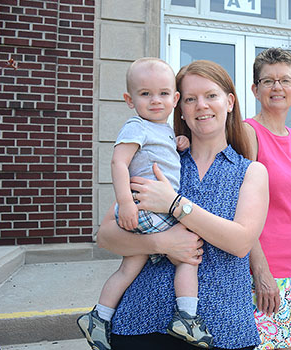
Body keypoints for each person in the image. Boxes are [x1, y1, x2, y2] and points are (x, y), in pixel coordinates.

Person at [95, 59, 269, 350]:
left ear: (229, 102)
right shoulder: (157, 160)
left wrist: (175, 204)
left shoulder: (250, 172)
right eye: (190, 99)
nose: (201, 105)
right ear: (181, 108)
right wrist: (163, 243)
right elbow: (106, 237)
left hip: (222, 326)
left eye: (210, 96)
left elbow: (240, 242)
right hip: (144, 319)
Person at [77, 57, 212, 350]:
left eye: (163, 93)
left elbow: (154, 152)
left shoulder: (159, 129)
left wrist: (177, 142)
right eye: (145, 94)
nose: (155, 101)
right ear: (129, 99)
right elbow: (118, 162)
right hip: (147, 207)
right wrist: (125, 202)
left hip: (152, 207)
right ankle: (186, 317)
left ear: (175, 99)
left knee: (129, 268)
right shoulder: (135, 126)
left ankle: (98, 317)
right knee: (188, 255)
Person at [243, 47, 291, 350]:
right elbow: (240, 209)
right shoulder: (248, 133)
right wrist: (261, 270)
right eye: (268, 81)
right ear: (255, 89)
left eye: (285, 80)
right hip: (265, 272)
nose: (277, 87)